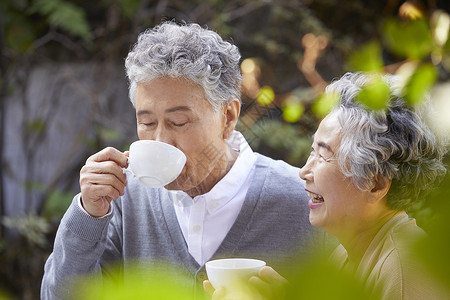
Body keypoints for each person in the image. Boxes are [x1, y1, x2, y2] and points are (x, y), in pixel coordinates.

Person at [40, 21, 320, 299]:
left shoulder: (302, 203)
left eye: (178, 121)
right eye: (147, 122)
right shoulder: (125, 200)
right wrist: (88, 214)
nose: (160, 140)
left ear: (228, 117)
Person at [205, 72, 449, 299]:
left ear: (376, 184)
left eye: (322, 156)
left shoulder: (405, 272)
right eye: (313, 151)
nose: (303, 171)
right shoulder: (348, 253)